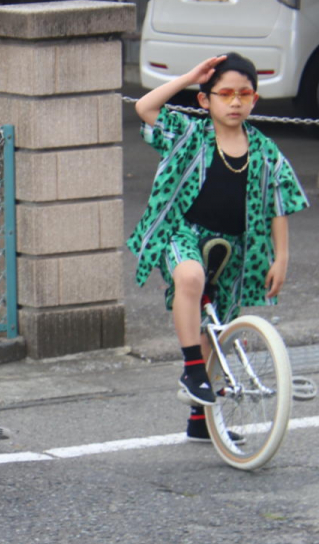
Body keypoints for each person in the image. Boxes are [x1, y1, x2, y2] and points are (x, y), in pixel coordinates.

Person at [127, 53, 309, 441]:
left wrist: (282, 257)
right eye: (224, 94)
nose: (235, 102)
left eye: (244, 94)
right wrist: (191, 76)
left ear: (255, 100)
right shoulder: (189, 133)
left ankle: (201, 422)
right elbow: (145, 108)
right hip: (181, 233)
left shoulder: (265, 150)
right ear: (205, 100)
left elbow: (280, 204)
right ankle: (192, 370)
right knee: (190, 277)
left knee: (216, 329)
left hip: (235, 248)